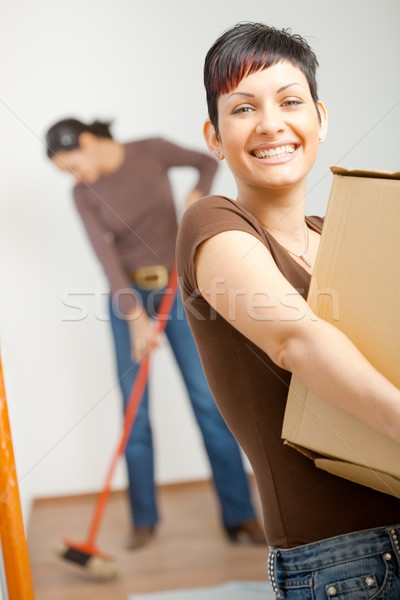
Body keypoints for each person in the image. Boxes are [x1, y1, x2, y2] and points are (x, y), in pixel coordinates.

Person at [176, 22, 400, 598]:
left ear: (321, 119)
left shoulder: (339, 237)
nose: (271, 123)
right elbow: (294, 340)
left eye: (290, 101)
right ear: (214, 135)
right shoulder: (212, 223)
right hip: (345, 562)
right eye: (243, 107)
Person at [45, 119, 265, 549]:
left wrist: (197, 192)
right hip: (127, 297)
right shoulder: (82, 194)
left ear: (87, 143)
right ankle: (143, 521)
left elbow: (205, 160)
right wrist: (134, 318)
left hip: (175, 287)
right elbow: (106, 258)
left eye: (73, 165)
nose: (75, 177)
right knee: (135, 412)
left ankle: (239, 516)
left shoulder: (151, 150)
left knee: (208, 401)